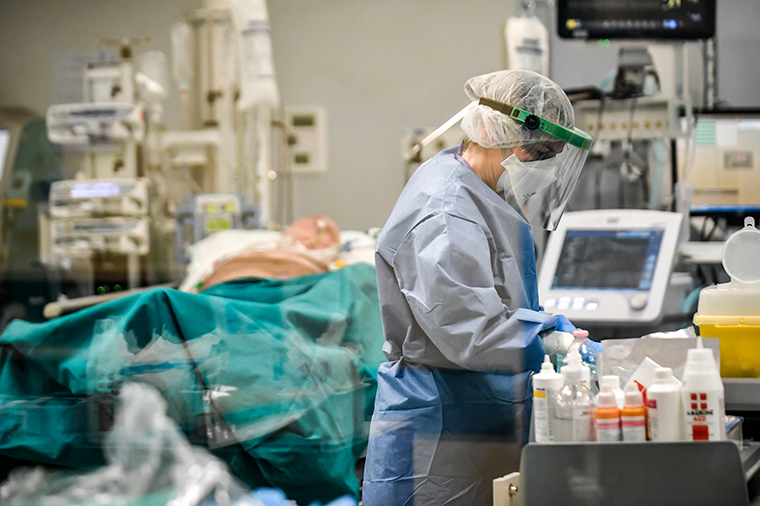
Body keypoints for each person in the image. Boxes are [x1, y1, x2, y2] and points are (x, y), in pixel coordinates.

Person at [362, 69, 594, 506]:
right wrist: (550, 339)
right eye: (539, 151)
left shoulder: (481, 189)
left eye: (553, 155)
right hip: (435, 430)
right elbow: (470, 327)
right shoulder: (445, 212)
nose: (543, 165)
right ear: (494, 132)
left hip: (471, 416)